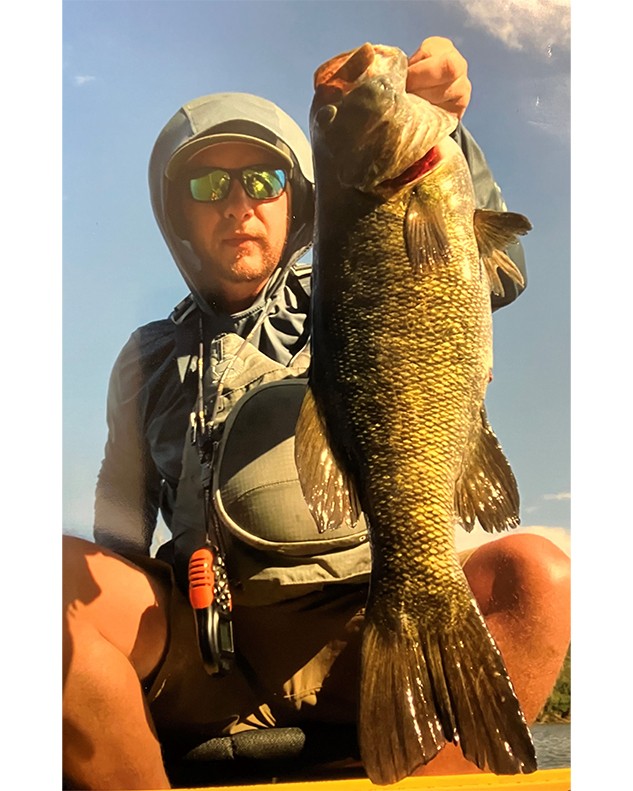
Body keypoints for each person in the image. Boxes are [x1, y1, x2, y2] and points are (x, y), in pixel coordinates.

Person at [62, 37, 571, 790]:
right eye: (208, 187)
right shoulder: (143, 360)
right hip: (209, 654)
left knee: (540, 576)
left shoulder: (346, 276)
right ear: (177, 216)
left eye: (261, 179)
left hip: (366, 631)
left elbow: (495, 270)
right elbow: (120, 530)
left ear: (296, 200)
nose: (237, 204)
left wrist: (446, 127)